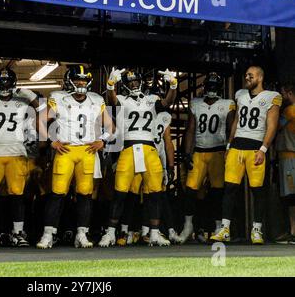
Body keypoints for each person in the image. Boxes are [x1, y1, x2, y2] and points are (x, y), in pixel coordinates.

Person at [36, 65, 115, 249]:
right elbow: (39, 120)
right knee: (56, 194)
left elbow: (111, 127)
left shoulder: (96, 100)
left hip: (87, 151)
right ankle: (48, 234)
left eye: (84, 80)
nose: (81, 83)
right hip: (66, 150)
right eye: (78, 79)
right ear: (69, 80)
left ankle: (82, 233)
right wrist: (51, 140)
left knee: (85, 195)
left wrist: (102, 140)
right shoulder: (59, 98)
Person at [98, 68, 177, 247]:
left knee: (155, 193)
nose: (134, 84)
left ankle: (154, 233)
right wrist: (110, 85)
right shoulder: (123, 100)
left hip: (149, 149)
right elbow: (112, 100)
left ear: (141, 81)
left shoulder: (152, 99)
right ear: (125, 84)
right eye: (130, 81)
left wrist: (173, 85)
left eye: (136, 81)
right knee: (120, 193)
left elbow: (167, 102)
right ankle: (111, 232)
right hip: (129, 148)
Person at [211, 66, 282, 244]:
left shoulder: (272, 96)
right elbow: (235, 121)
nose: (247, 77)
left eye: (251, 75)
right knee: (229, 188)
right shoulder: (240, 94)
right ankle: (225, 228)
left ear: (260, 76)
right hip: (237, 146)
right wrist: (229, 144)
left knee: (257, 191)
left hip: (255, 147)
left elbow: (272, 126)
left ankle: (257, 229)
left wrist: (263, 149)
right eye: (246, 75)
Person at [0, 68, 43, 247]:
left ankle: (17, 232)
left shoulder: (23, 100)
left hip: (16, 152)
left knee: (17, 195)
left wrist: (30, 96)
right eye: (2, 81)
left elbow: (47, 112)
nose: (5, 85)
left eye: (8, 81)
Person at [180, 73, 236, 243]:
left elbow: (230, 130)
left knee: (217, 192)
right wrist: (187, 153)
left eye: (214, 86)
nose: (211, 90)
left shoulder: (228, 104)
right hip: (198, 151)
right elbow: (190, 129)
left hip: (218, 151)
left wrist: (229, 150)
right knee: (190, 191)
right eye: (209, 86)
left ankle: (219, 226)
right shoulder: (195, 103)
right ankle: (188, 226)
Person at [275, 81, 295, 244]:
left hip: (290, 158)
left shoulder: (289, 111)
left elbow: (275, 126)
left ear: (289, 93)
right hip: (288, 156)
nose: (281, 96)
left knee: (291, 196)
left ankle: (293, 231)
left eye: (282, 93)